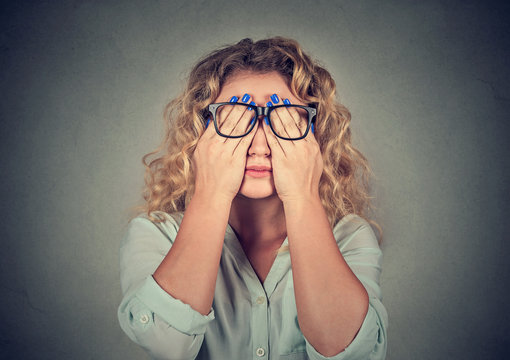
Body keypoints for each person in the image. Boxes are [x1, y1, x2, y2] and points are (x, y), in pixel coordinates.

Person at [117, 37, 388, 360]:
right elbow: (165, 344)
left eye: (285, 119)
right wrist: (211, 191)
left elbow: (348, 353)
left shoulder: (350, 236)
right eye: (235, 119)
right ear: (201, 133)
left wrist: (302, 195)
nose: (259, 144)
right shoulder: (154, 233)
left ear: (315, 136)